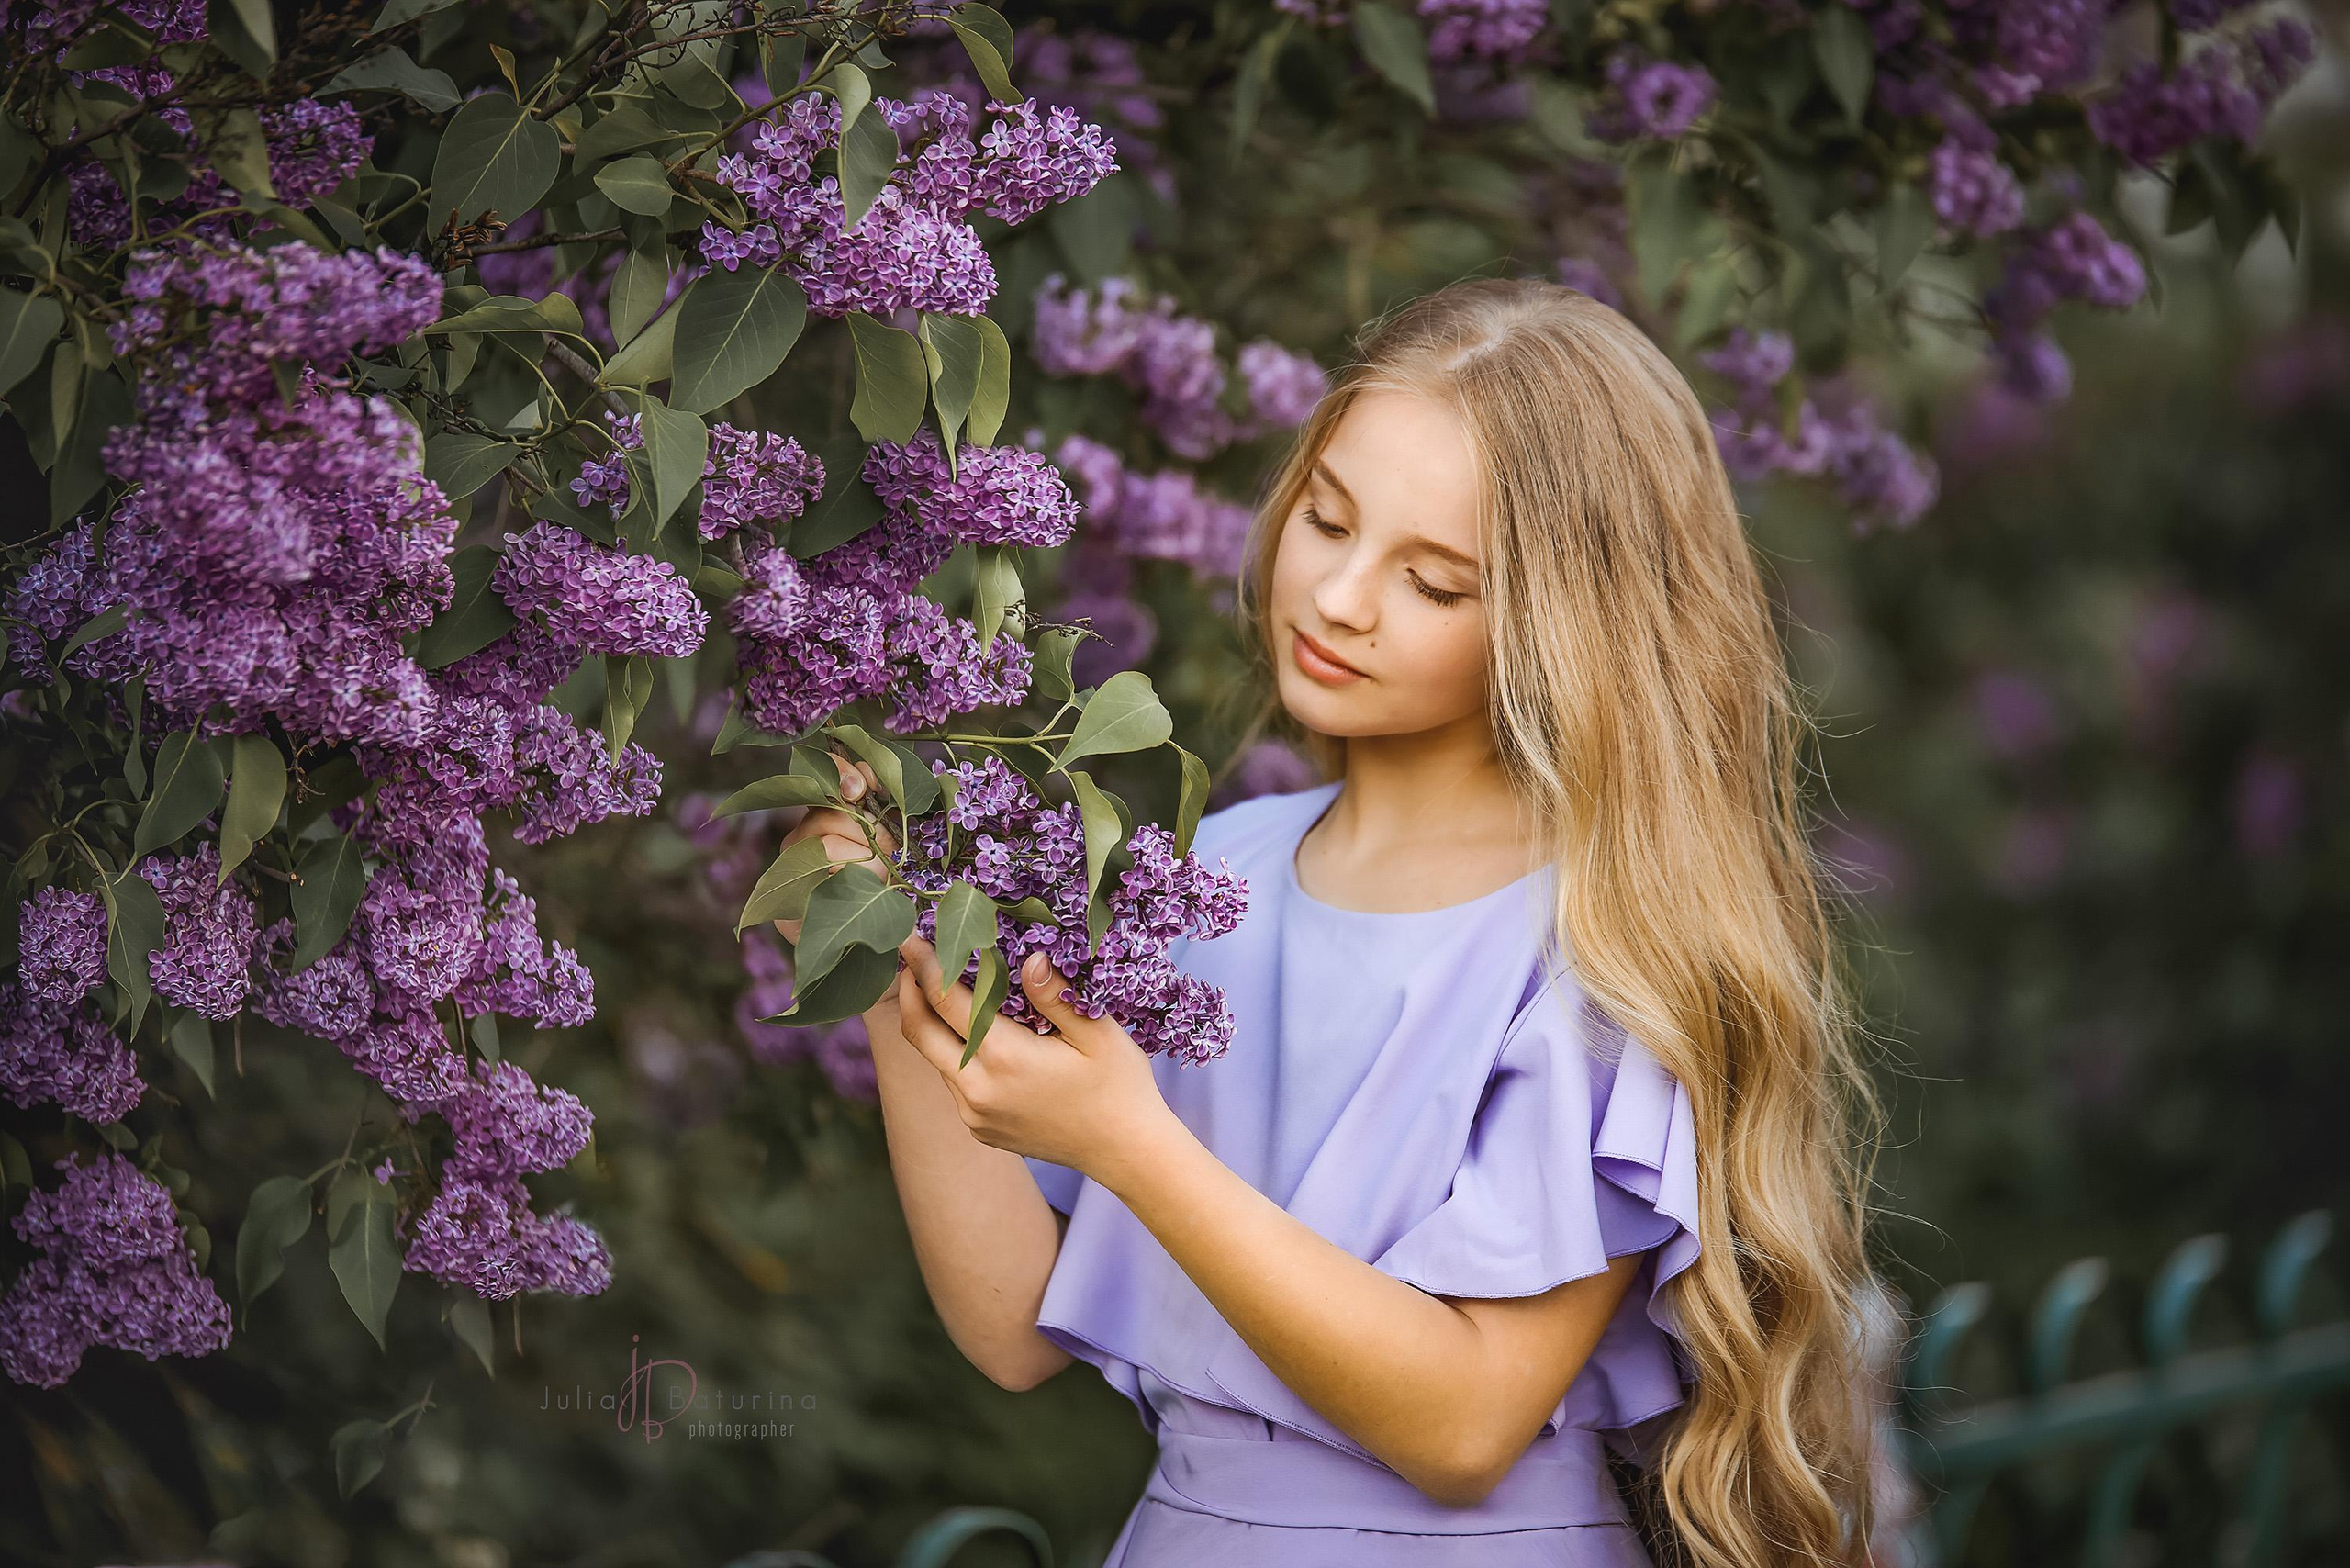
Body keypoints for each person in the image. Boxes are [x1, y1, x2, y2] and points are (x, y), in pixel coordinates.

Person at [776, 276, 1887, 1566]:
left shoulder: (1600, 944)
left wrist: (1132, 1144)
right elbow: (1019, 1326)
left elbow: (1465, 1425)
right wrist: (880, 947)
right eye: (1327, 519)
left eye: (1434, 583)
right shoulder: (1203, 876)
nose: (1343, 597)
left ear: (1566, 628)